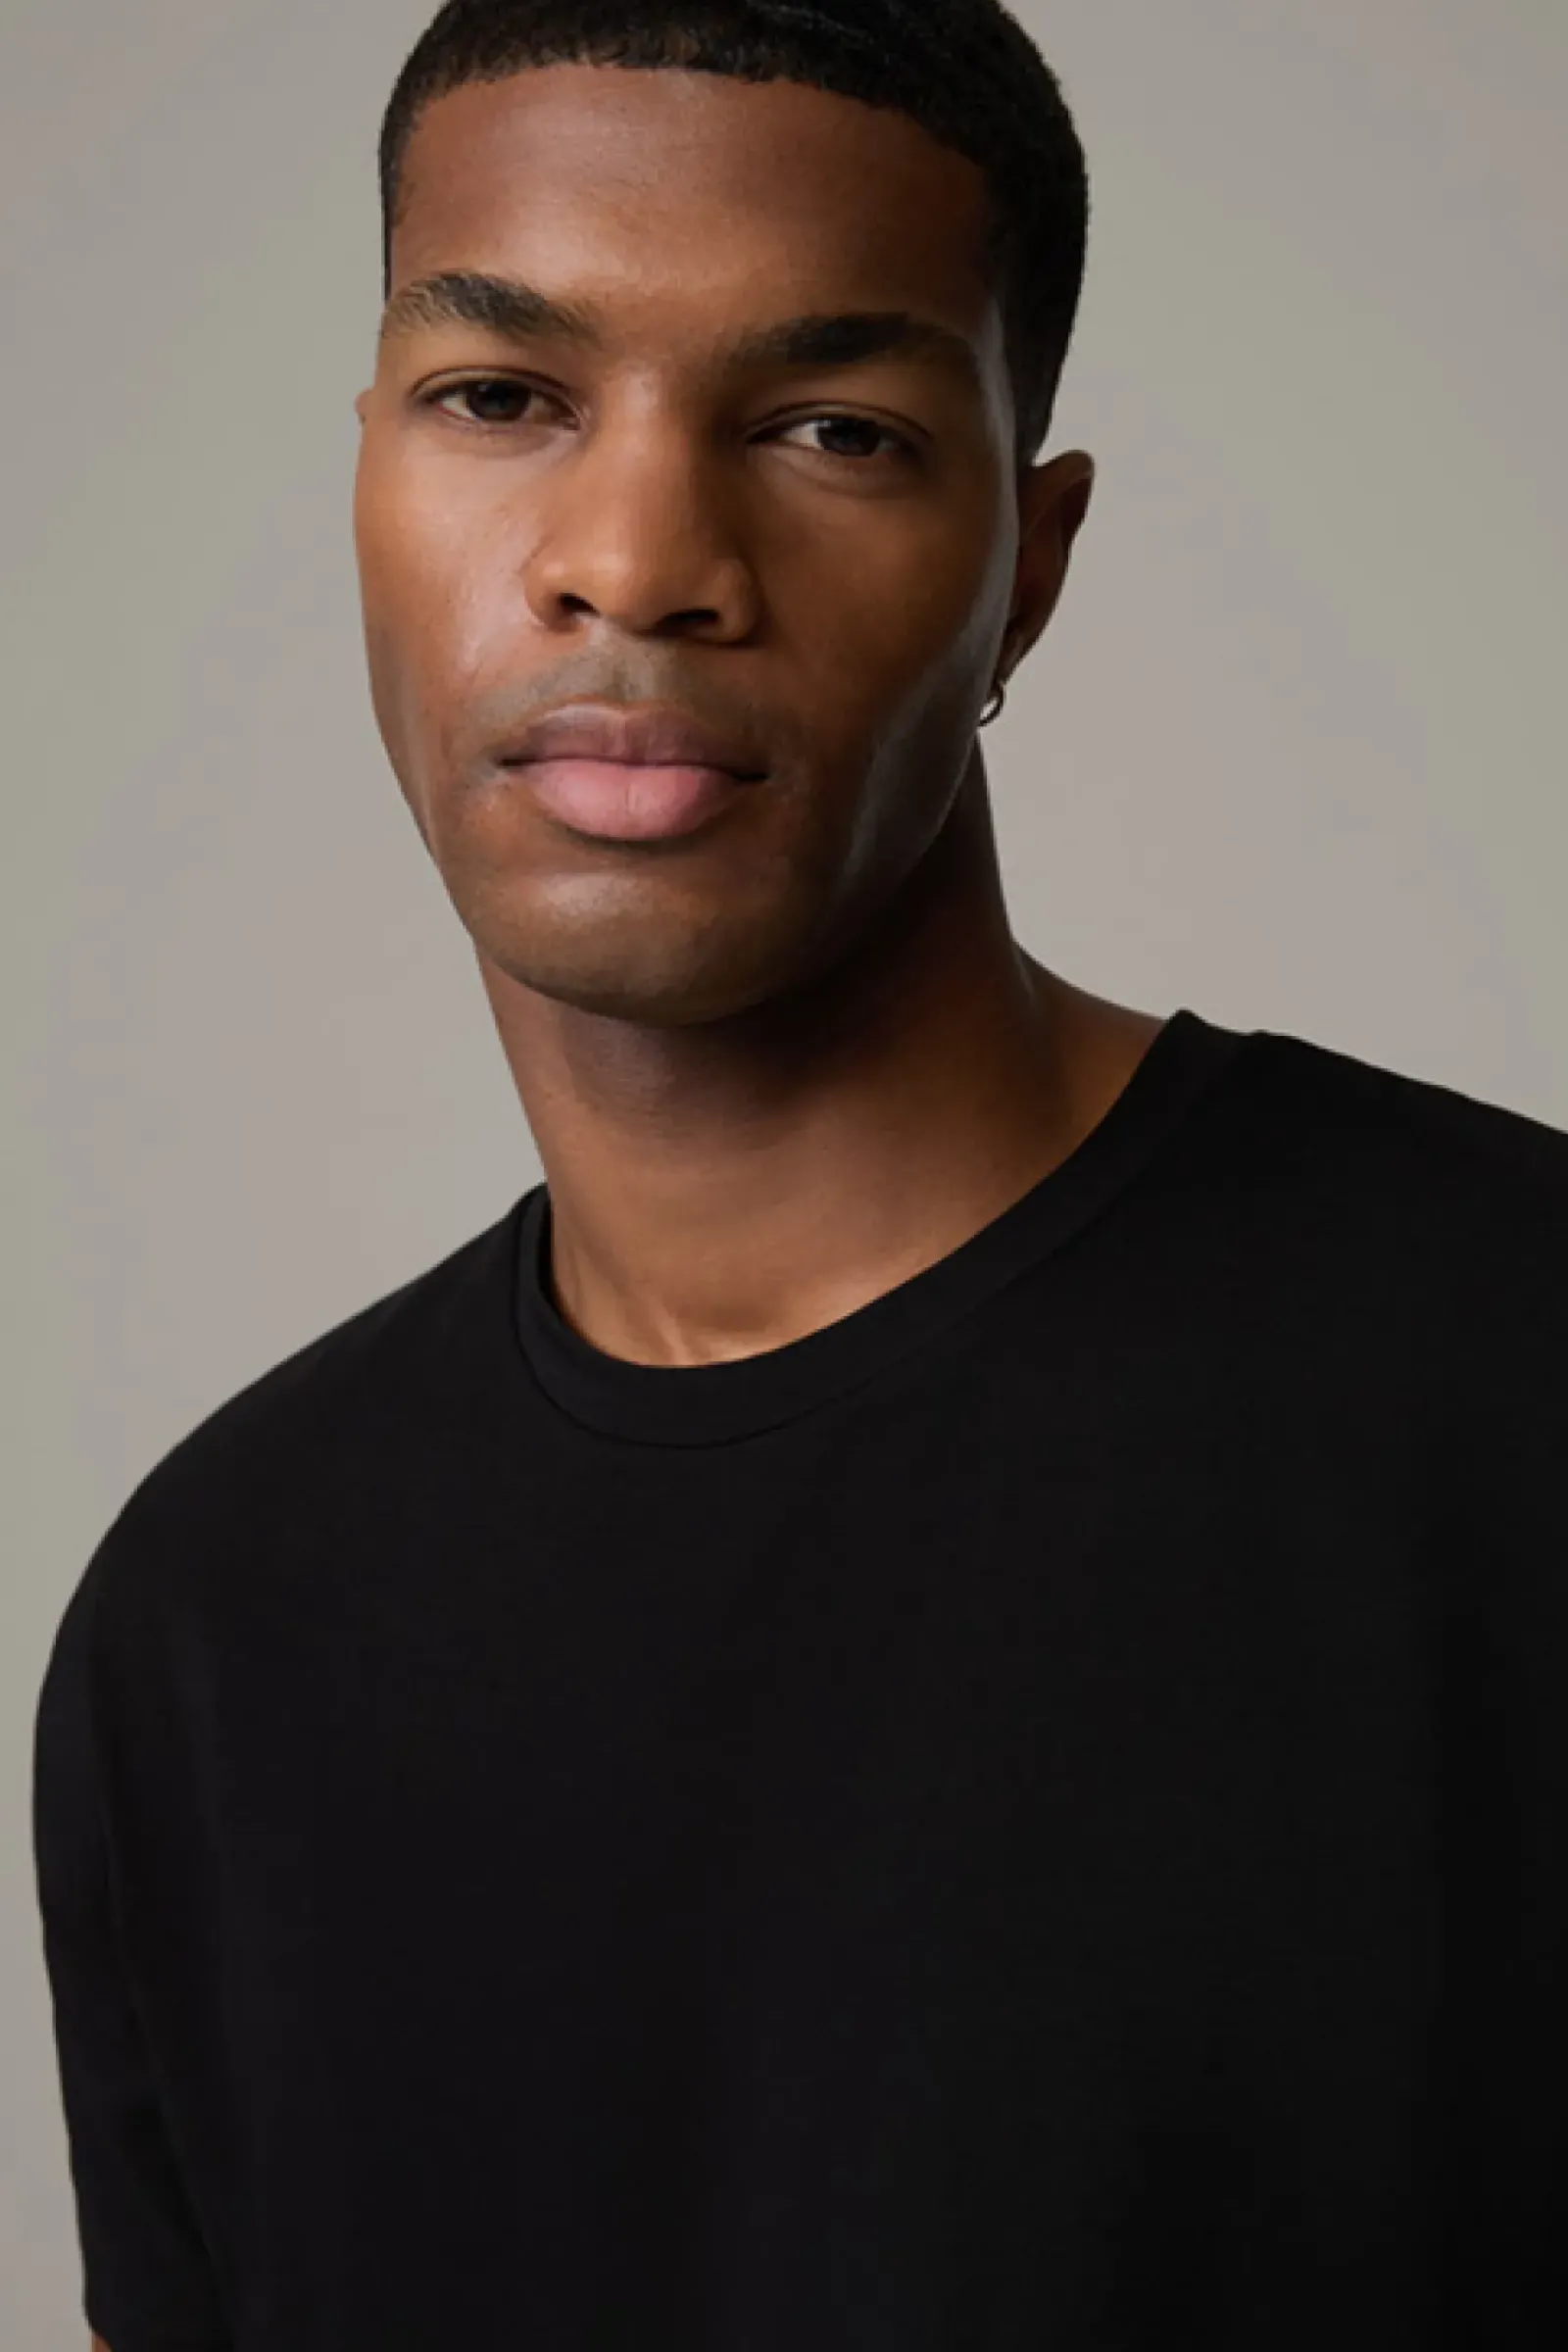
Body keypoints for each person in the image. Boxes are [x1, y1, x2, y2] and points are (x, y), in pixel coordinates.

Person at [32, 3, 1568, 2346]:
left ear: (1024, 565)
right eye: (500, 396)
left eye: (832, 429)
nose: (634, 561)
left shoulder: (1511, 1388)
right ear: (362, 480)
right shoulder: (212, 1626)